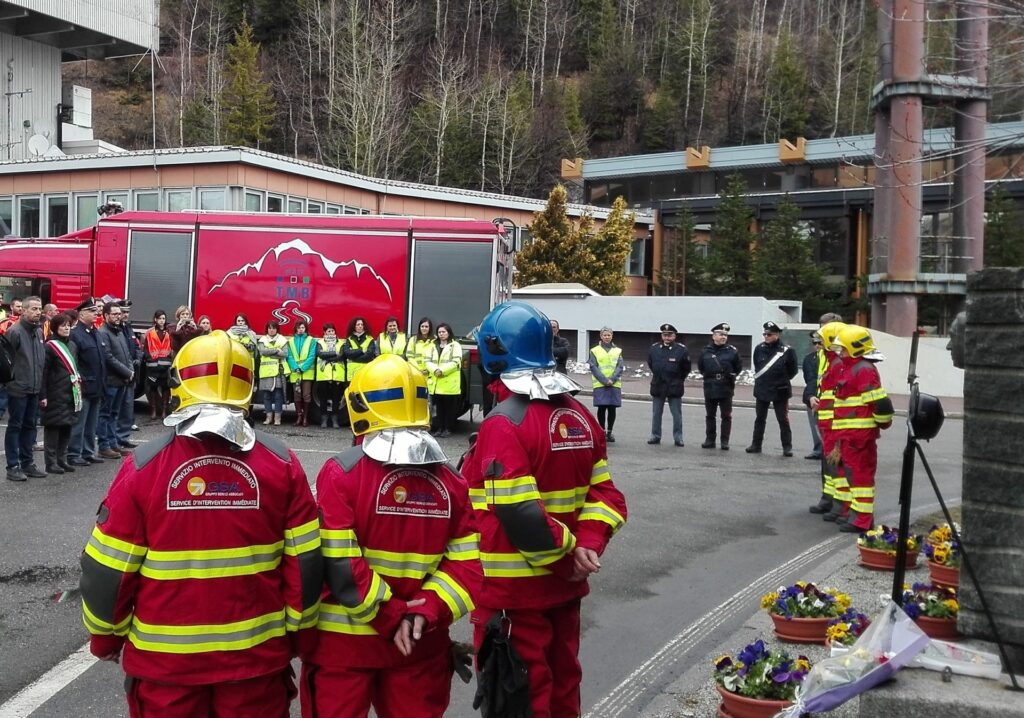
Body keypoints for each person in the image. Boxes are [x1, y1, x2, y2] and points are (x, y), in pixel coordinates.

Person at [78, 330, 322, 718]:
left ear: (180, 383)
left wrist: (104, 638)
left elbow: (108, 569)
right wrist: (300, 634)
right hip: (256, 662)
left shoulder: (143, 465)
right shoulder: (282, 463)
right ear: (249, 387)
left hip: (165, 670)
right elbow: (306, 563)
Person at [465, 301, 627, 718]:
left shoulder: (504, 423)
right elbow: (606, 495)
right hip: (564, 592)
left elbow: (518, 509)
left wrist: (566, 557)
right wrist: (587, 545)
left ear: (494, 353)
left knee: (521, 699)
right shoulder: (579, 416)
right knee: (562, 688)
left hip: (514, 596)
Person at [302, 354, 480, 718]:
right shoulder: (452, 483)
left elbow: (337, 561)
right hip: (418, 645)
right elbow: (467, 569)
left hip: (344, 648)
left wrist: (388, 614)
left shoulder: (341, 474)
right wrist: (427, 610)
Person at [830, 325, 894, 533]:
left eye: (844, 349)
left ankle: (862, 520)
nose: (841, 352)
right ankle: (854, 514)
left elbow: (880, 402)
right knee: (851, 476)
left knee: (861, 478)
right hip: (848, 436)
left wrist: (882, 423)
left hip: (860, 436)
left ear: (855, 349)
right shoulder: (849, 366)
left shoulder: (863, 368)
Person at [4, 296, 46, 481]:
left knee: (30, 426)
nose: (38, 312)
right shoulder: (15, 332)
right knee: (15, 426)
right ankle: (13, 466)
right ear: (24, 310)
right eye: (34, 309)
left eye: (40, 309)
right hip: (18, 388)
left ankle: (28, 463)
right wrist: (10, 383)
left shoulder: (38, 332)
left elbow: (39, 363)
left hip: (34, 388)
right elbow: (6, 361)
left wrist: (41, 390)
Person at [811, 321, 848, 518]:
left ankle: (839, 505)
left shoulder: (838, 362)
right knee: (829, 465)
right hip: (826, 420)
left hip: (834, 422)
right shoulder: (829, 358)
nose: (818, 344)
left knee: (837, 465)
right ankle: (831, 500)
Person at [746, 321, 798, 456]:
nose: (766, 336)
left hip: (780, 389)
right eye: (765, 334)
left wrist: (781, 380)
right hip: (763, 388)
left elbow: (792, 371)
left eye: (769, 334)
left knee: (783, 419)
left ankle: (787, 447)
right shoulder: (759, 349)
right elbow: (758, 365)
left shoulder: (787, 350)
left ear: (777, 334)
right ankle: (756, 444)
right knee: (760, 418)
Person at [67, 299, 107, 466]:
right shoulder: (76, 334)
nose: (96, 313)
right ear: (82, 313)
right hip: (83, 386)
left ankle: (88, 452)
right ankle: (73, 453)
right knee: (79, 423)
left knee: (91, 424)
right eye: (91, 311)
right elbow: (73, 362)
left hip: (97, 385)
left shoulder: (95, 332)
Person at [40, 313, 81, 474]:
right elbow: (44, 372)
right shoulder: (50, 346)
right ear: (55, 327)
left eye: (68, 325)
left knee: (67, 427)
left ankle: (61, 459)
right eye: (63, 325)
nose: (66, 328)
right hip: (54, 393)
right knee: (53, 428)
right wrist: (43, 395)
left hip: (71, 392)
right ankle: (50, 462)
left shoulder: (72, 345)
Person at [96, 302, 135, 460]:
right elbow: (108, 358)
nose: (118, 316)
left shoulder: (119, 331)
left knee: (114, 414)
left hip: (121, 380)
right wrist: (127, 372)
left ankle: (113, 444)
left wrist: (130, 370)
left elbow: (127, 353)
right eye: (115, 314)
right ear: (106, 316)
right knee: (105, 414)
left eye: (119, 314)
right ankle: (104, 446)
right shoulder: (103, 332)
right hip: (111, 381)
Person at [698, 322, 742, 450]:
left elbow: (738, 367)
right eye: (721, 334)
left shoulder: (732, 352)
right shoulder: (706, 351)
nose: (723, 337)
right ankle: (710, 440)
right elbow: (701, 367)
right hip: (710, 386)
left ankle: (724, 441)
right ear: (713, 336)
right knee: (710, 415)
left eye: (725, 335)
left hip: (726, 386)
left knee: (726, 416)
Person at [647, 323, 691, 447]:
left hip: (674, 385)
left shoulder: (681, 350)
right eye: (664, 335)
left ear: (674, 336)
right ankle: (655, 436)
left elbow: (686, 368)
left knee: (676, 414)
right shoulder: (654, 348)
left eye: (669, 335)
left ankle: (678, 437)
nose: (667, 337)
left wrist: (678, 380)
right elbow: (651, 364)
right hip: (658, 385)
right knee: (656, 413)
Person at [426, 322, 462, 437]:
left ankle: (448, 428)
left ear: (448, 333)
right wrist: (435, 370)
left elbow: (456, 362)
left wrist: (442, 371)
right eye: (439, 332)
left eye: (443, 332)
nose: (441, 334)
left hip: (449, 383)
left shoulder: (455, 345)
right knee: (439, 408)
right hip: (436, 382)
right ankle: (439, 428)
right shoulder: (433, 345)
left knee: (449, 408)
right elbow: (427, 361)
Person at [589, 327, 623, 442]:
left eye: (609, 335)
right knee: (602, 408)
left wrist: (612, 379)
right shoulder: (594, 350)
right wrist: (604, 380)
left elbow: (620, 367)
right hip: (600, 384)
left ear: (612, 336)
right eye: (605, 335)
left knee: (612, 408)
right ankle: (601, 431)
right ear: (601, 336)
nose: (607, 337)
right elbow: (593, 366)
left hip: (614, 384)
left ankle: (609, 432)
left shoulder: (618, 351)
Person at [115, 301, 141, 449]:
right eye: (122, 312)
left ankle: (123, 437)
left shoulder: (128, 328)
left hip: (131, 371)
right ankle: (115, 439)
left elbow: (136, 345)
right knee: (117, 409)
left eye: (126, 312)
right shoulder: (116, 329)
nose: (125, 315)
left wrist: (138, 357)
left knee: (127, 407)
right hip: (120, 374)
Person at [143, 310, 173, 420]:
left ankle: (164, 410)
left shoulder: (169, 332)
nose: (162, 320)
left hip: (165, 364)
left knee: (166, 388)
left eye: (163, 318)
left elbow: (172, 346)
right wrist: (148, 357)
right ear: (155, 319)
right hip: (153, 364)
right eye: (160, 318)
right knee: (152, 388)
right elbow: (146, 347)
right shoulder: (150, 333)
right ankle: (153, 410)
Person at [286, 320, 317, 426]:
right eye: (299, 328)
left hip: (306, 372)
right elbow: (289, 356)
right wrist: (295, 367)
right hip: (295, 373)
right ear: (296, 329)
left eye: (302, 328)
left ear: (305, 329)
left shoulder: (311, 340)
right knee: (297, 396)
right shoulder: (290, 341)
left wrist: (302, 368)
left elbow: (312, 356)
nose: (300, 330)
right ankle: (299, 416)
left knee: (306, 395)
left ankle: (305, 418)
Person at [258, 321, 289, 425]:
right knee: (266, 395)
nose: (271, 330)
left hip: (278, 372)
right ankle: (268, 417)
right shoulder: (262, 340)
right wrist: (276, 350)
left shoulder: (282, 339)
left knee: (278, 396)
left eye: (273, 328)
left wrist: (270, 352)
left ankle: (277, 418)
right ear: (267, 329)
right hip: (266, 372)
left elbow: (285, 354)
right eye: (269, 328)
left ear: (277, 329)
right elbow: (262, 352)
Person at [315, 322, 345, 428]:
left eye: (332, 331)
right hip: (323, 375)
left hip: (337, 375)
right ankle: (324, 419)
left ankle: (335, 420)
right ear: (324, 332)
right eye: (328, 331)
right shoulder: (320, 343)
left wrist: (328, 357)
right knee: (323, 398)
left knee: (336, 399)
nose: (331, 333)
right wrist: (333, 354)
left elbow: (341, 356)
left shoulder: (340, 343)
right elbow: (320, 354)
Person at [801, 332, 825, 460]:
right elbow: (809, 379)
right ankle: (817, 449)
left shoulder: (831, 358)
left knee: (826, 426)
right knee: (814, 425)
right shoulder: (809, 358)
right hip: (812, 396)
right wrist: (810, 396)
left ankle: (827, 450)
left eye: (819, 343)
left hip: (826, 397)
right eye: (814, 343)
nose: (817, 345)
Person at [0, 297, 23, 422]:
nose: (20, 308)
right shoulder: (5, 322)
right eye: (18, 306)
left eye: (21, 306)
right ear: (12, 307)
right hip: (7, 358)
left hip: (21, 360)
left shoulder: (25, 323)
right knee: (4, 385)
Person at [342, 316, 377, 384]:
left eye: (362, 324)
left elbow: (369, 356)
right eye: (358, 324)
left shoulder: (370, 339)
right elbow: (347, 353)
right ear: (354, 326)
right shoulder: (349, 339)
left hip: (365, 372)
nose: (360, 326)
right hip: (352, 373)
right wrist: (361, 351)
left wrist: (353, 358)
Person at [405, 317, 436, 390]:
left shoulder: (434, 341)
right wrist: (419, 369)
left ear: (430, 328)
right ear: (419, 327)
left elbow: (436, 358)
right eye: (422, 326)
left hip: (430, 374)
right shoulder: (413, 339)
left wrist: (429, 369)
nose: (424, 328)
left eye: (426, 326)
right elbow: (409, 356)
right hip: (416, 373)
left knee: (429, 398)